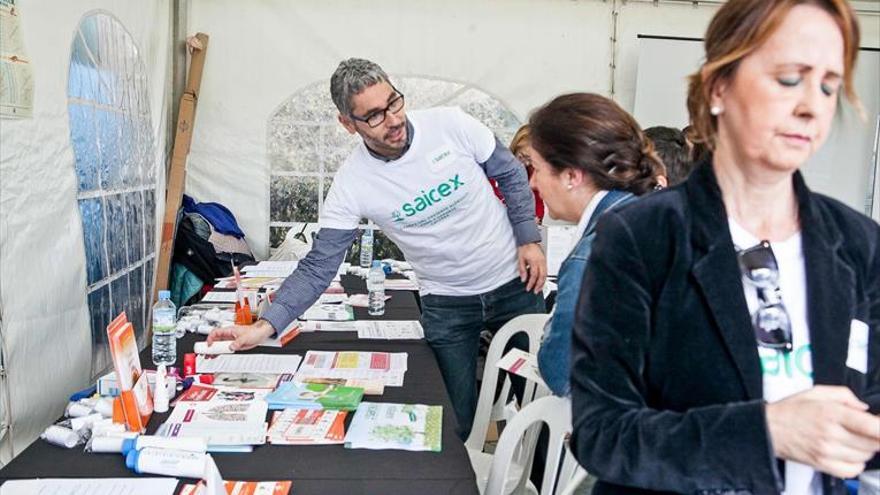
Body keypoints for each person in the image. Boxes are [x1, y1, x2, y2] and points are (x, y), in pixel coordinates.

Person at [569, 0, 880, 493]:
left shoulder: (858, 243)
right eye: (788, 78)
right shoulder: (642, 237)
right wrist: (768, 431)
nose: (812, 105)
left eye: (828, 86)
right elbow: (602, 434)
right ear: (719, 86)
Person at [208, 58, 546, 440]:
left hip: (516, 284)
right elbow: (320, 265)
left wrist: (528, 238)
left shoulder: (452, 124)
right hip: (448, 305)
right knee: (456, 423)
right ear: (347, 124)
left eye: (394, 102)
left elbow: (511, 173)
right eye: (373, 116)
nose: (393, 119)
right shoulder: (353, 183)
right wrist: (266, 325)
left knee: (538, 409)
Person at [528, 93, 664, 396]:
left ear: (571, 176)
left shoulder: (593, 256)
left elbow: (560, 370)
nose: (532, 184)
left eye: (536, 169)